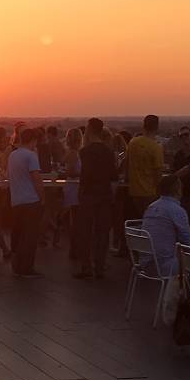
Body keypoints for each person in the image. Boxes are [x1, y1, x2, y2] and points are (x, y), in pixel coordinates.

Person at [74, 119, 116, 278]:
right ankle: (100, 266)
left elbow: (85, 175)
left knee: (85, 231)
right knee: (102, 232)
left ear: (90, 130)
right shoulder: (109, 151)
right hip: (105, 194)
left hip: (89, 194)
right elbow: (113, 176)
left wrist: (81, 191)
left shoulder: (85, 152)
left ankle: (86, 267)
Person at [141, 175, 190, 276]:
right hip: (165, 265)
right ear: (177, 189)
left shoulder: (151, 207)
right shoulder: (177, 211)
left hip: (146, 264)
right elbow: (187, 243)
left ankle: (186, 289)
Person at [7, 128, 45, 277]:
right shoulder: (31, 156)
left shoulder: (12, 155)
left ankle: (17, 265)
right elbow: (36, 178)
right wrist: (43, 196)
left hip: (16, 200)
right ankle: (27, 267)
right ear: (33, 140)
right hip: (31, 200)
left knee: (18, 233)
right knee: (30, 236)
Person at [127, 115, 164, 217]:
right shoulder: (156, 147)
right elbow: (158, 174)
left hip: (134, 191)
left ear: (144, 126)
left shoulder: (132, 142)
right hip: (150, 193)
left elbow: (126, 163)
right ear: (157, 127)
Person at [63, 128, 82, 265]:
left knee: (75, 220)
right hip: (74, 187)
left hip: (73, 187)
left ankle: (75, 249)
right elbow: (71, 172)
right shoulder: (73, 154)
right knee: (75, 220)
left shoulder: (73, 153)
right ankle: (75, 249)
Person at [172, 126, 190, 205]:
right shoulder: (178, 155)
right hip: (180, 194)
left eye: (186, 134)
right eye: (181, 136)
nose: (184, 137)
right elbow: (174, 174)